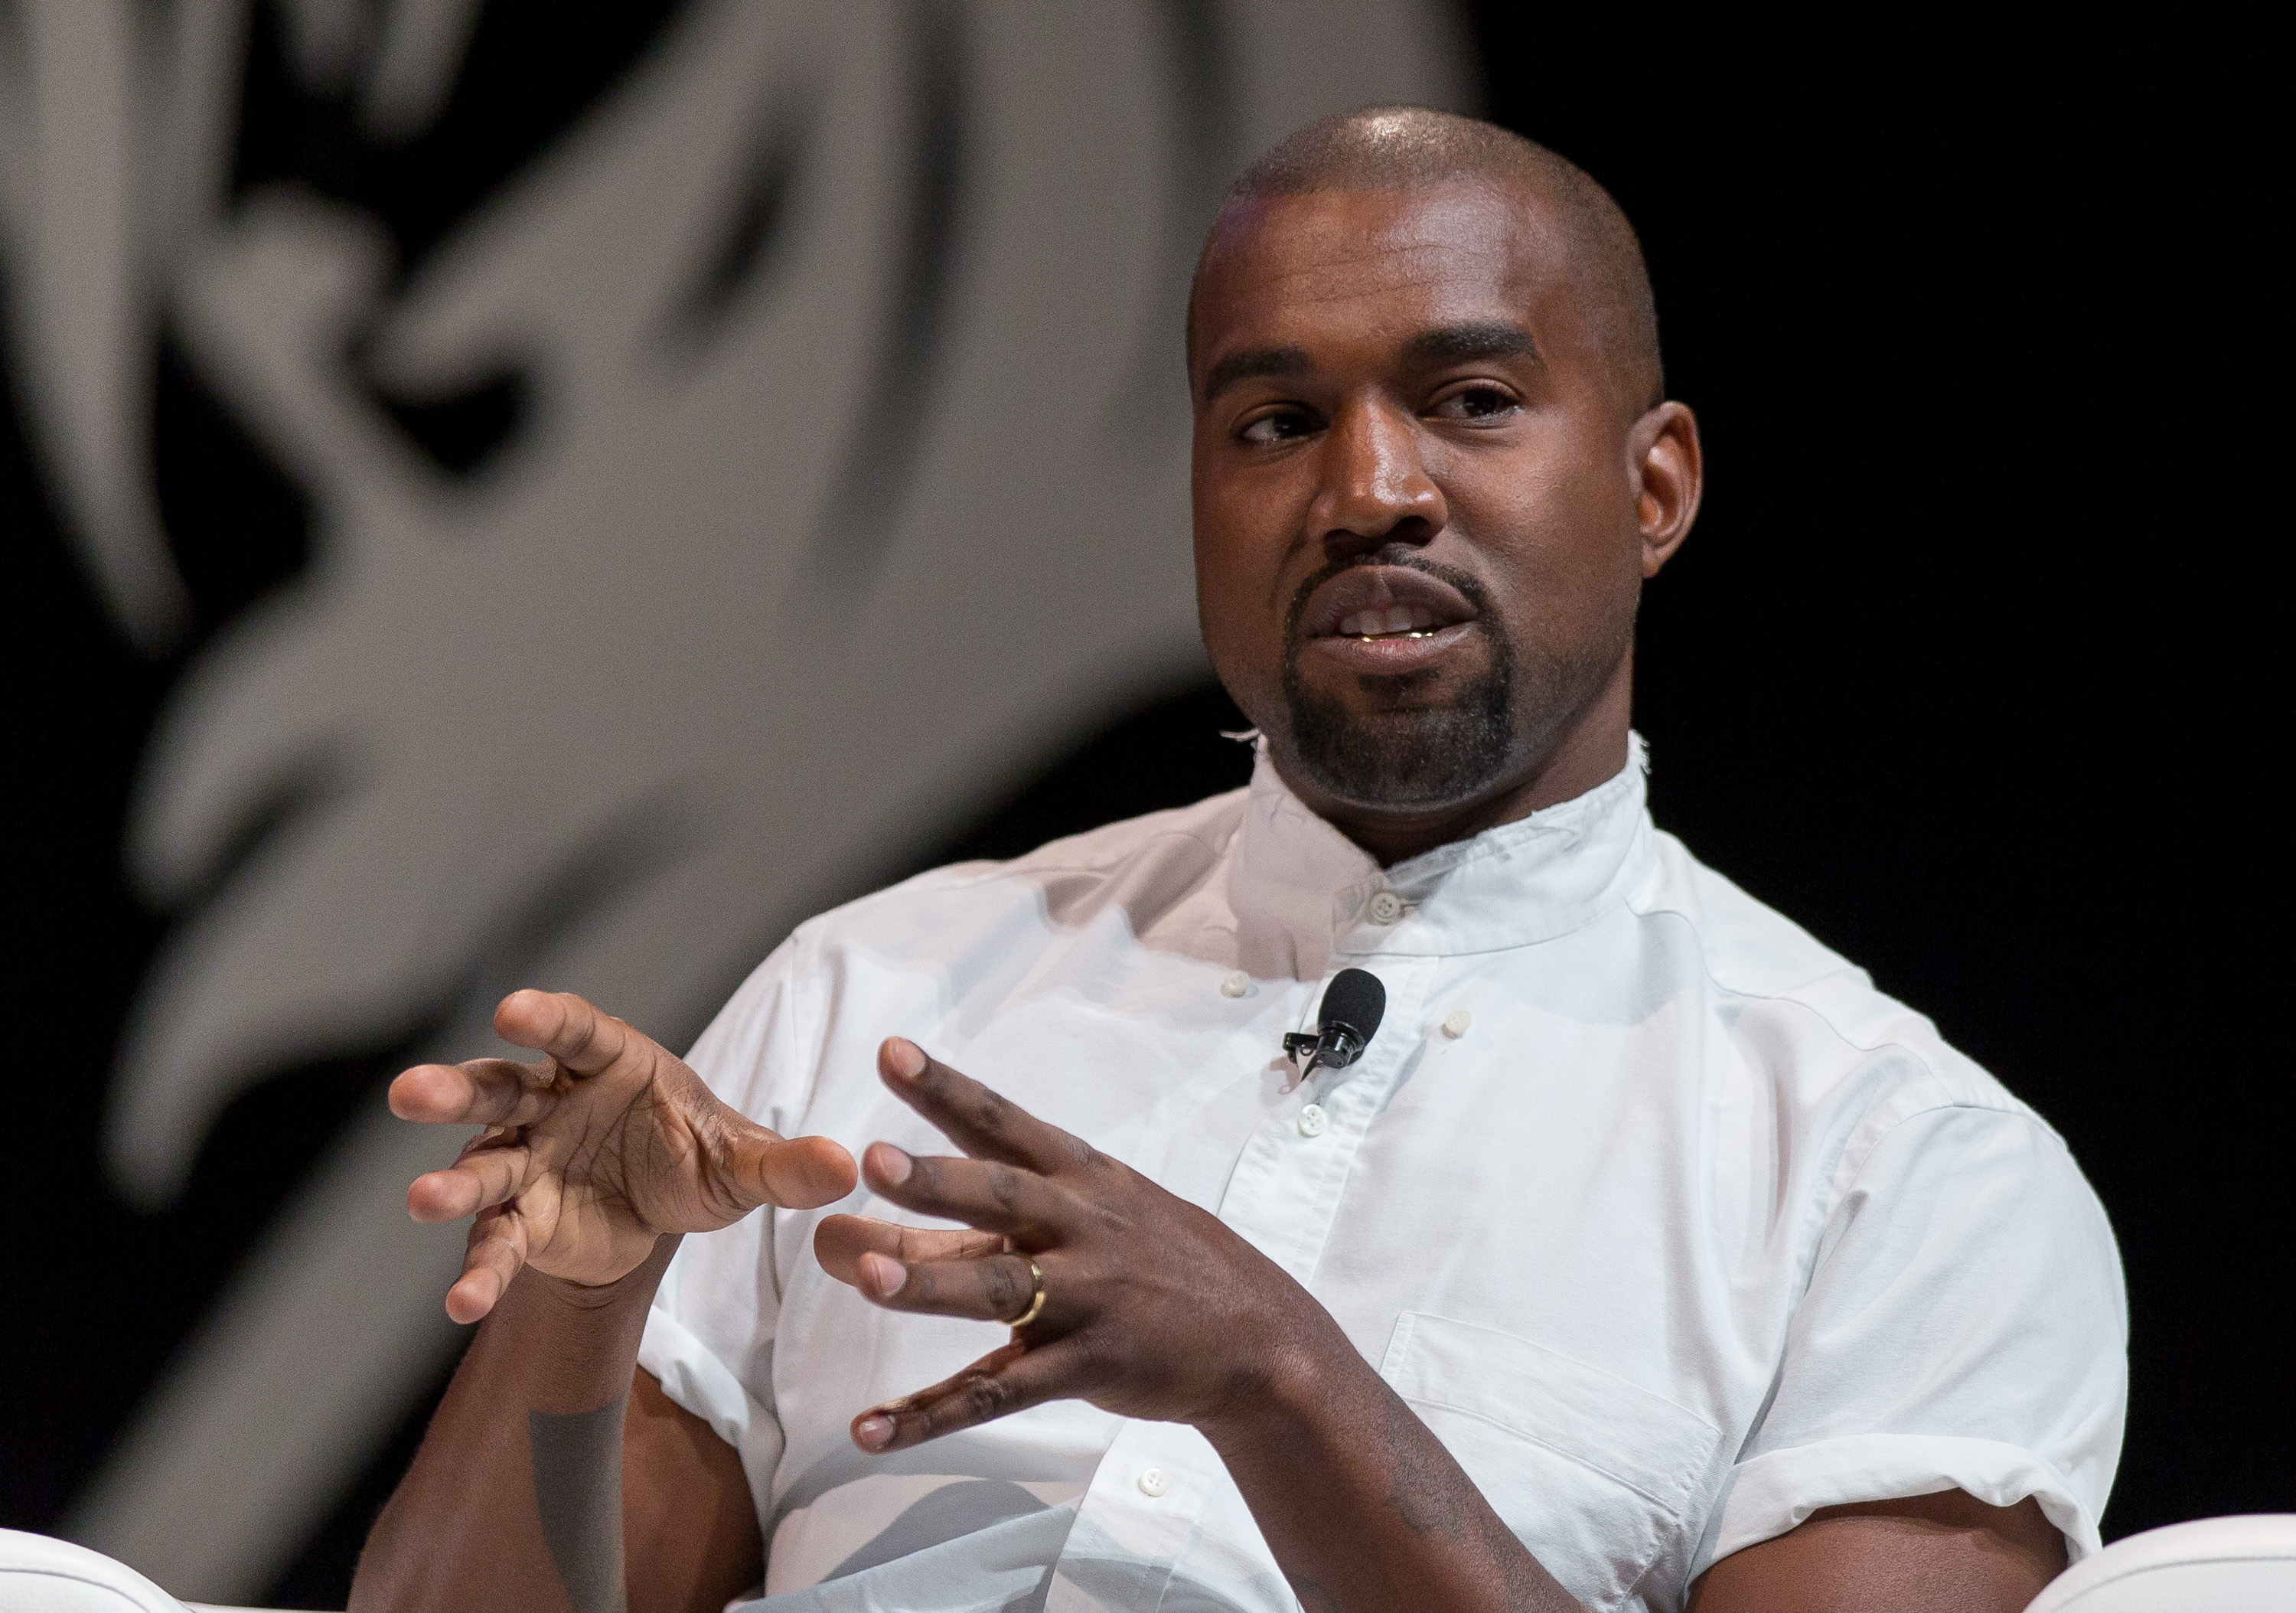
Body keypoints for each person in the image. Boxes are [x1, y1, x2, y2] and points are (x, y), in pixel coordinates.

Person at [348, 108, 2124, 1613]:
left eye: (1476, 399)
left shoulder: (1902, 1178)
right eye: (1273, 424)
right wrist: (583, 1306)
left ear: (1656, 489)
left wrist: (1279, 1384)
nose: (1367, 488)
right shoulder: (871, 993)